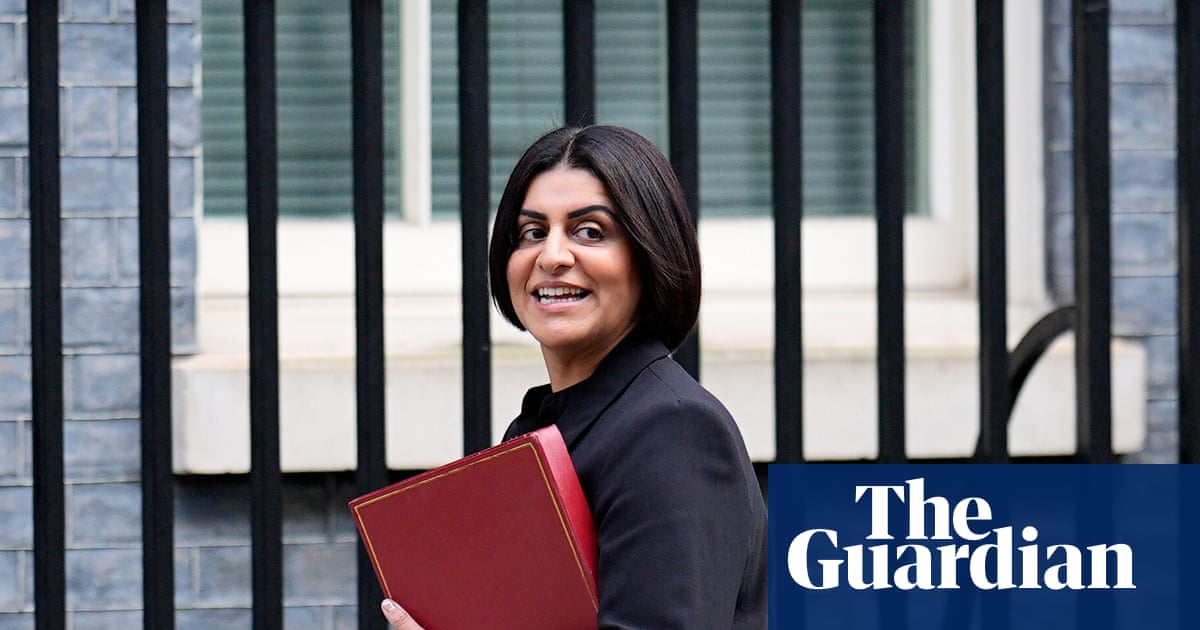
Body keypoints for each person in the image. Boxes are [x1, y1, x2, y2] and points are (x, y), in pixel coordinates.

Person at [382, 125, 768, 629]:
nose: (552, 256)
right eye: (532, 232)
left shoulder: (674, 430)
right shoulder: (545, 429)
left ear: (649, 255)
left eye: (590, 231)